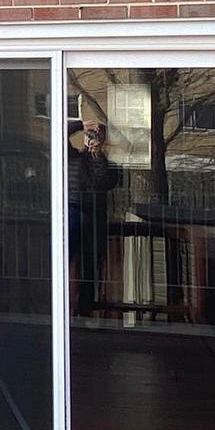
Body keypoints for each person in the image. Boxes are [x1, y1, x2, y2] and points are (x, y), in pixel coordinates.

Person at [67, 121, 120, 316]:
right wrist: (80, 125)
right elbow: (58, 138)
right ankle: (64, 303)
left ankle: (85, 307)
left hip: (94, 215)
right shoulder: (72, 157)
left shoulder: (108, 163)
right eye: (90, 135)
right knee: (65, 258)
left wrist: (97, 156)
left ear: (103, 140)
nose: (92, 139)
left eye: (97, 135)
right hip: (72, 211)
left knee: (91, 262)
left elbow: (104, 182)